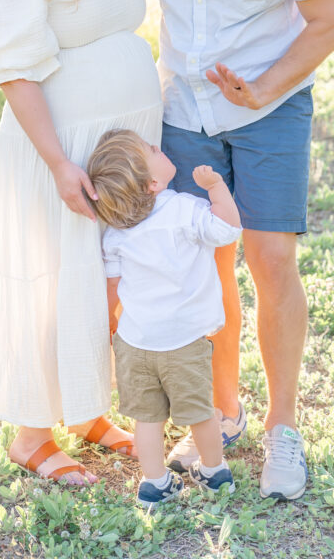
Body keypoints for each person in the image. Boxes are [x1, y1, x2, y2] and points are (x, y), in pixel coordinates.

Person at [134, 0, 334, 500]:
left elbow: (329, 22)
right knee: (199, 260)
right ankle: (219, 413)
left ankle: (281, 428)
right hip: (186, 107)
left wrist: (261, 89)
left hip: (270, 105)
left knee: (270, 258)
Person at [0, 0, 163, 484]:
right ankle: (31, 434)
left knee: (108, 282)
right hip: (59, 148)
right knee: (54, 279)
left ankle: (84, 411)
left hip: (119, 147)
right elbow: (15, 73)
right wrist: (58, 163)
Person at [87, 129, 241, 508]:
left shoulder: (116, 233)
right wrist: (217, 189)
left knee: (148, 418)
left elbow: (113, 285)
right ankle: (214, 472)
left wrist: (109, 322)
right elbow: (227, 230)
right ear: (153, 182)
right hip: (184, 341)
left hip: (135, 341)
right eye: (153, 149)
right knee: (201, 412)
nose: (160, 148)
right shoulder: (186, 210)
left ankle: (154, 483)